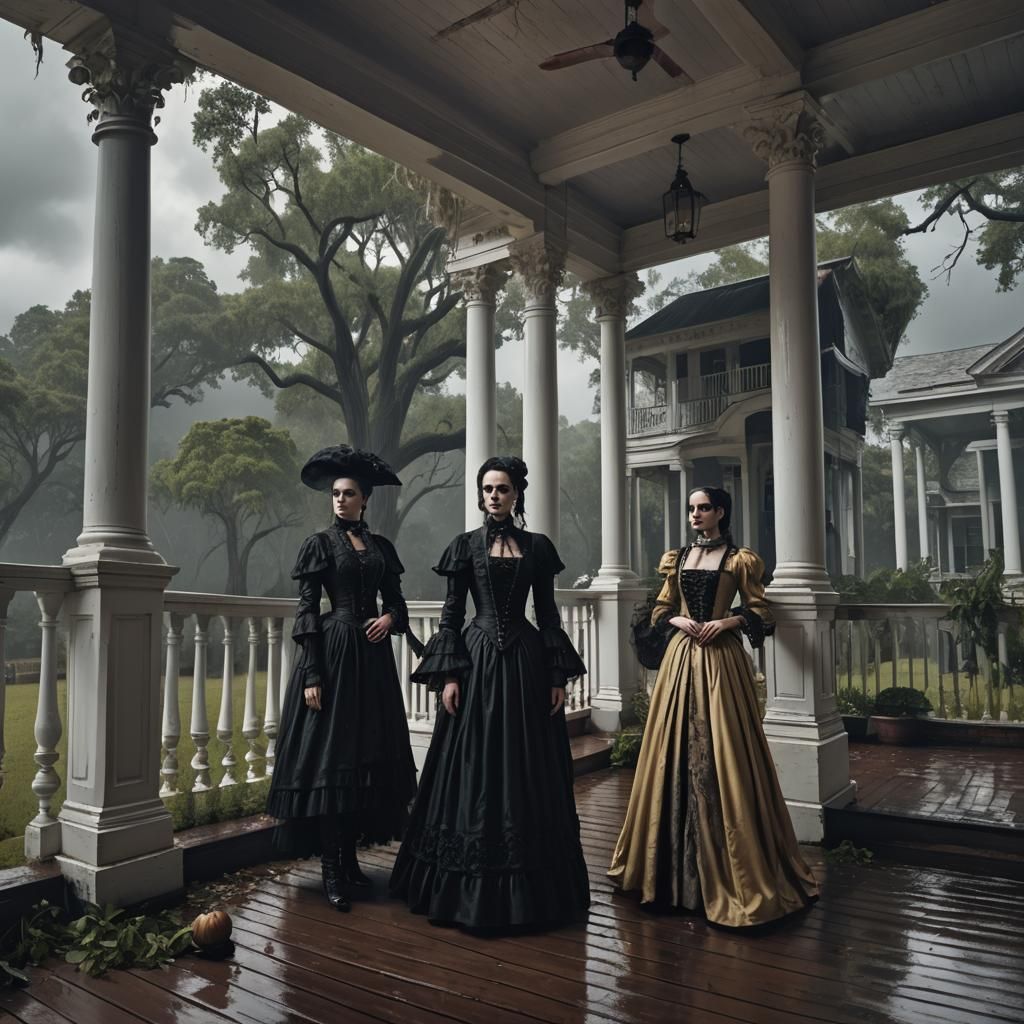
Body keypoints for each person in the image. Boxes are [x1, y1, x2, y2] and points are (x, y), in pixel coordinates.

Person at [390, 456, 591, 930]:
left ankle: (529, 889)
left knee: (526, 766)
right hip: (477, 661)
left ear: (516, 494)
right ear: (481, 495)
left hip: (524, 662)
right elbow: (450, 615)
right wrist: (452, 675)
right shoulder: (465, 546)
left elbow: (547, 615)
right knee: (472, 765)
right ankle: (461, 886)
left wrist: (556, 677)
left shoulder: (537, 548)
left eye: (502, 488)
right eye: (487, 489)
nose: (494, 496)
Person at [608, 486, 818, 928]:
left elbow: (762, 612)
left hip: (721, 661)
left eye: (704, 508)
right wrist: (678, 619)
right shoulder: (678, 558)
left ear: (721, 512)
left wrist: (728, 620)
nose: (696, 515)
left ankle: (732, 868)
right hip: (681, 659)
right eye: (691, 508)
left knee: (726, 753)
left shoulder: (741, 560)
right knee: (670, 752)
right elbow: (661, 608)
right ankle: (663, 868)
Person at [267, 445, 418, 912]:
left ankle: (350, 863)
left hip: (371, 663)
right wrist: (312, 672)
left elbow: (398, 603)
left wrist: (390, 621)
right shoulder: (319, 544)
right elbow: (307, 608)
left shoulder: (380, 549)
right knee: (331, 762)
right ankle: (331, 866)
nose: (339, 499)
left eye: (348, 493)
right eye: (335, 493)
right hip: (333, 656)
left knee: (363, 758)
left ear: (364, 499)